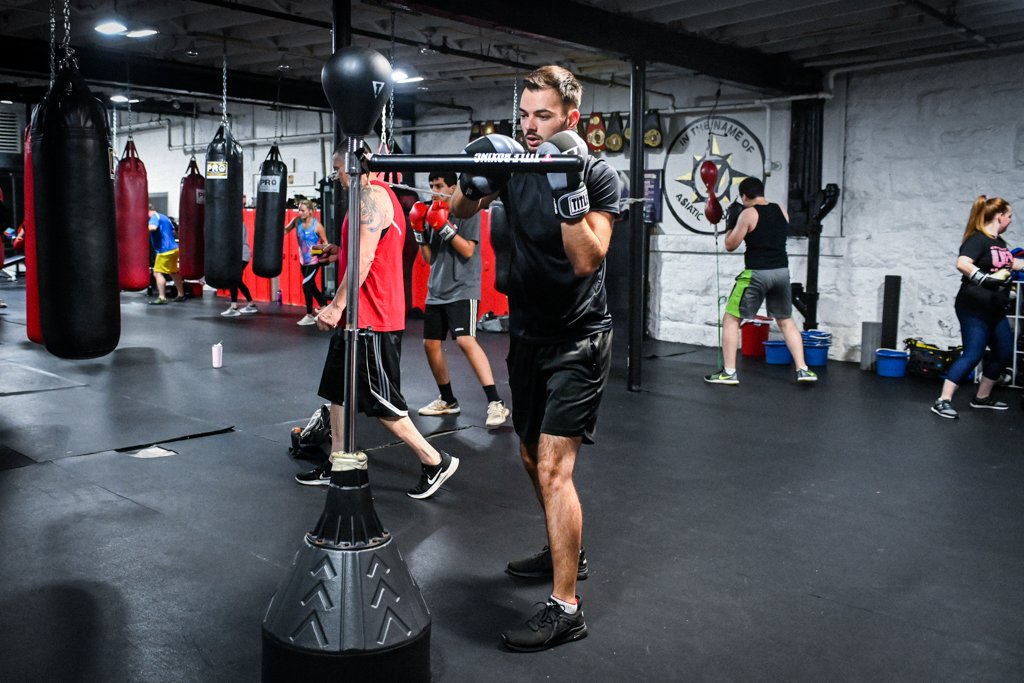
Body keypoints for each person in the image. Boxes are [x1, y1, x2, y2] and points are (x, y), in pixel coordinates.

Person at [450, 65, 620, 652]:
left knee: (554, 468)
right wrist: (471, 182)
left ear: (571, 119)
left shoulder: (595, 173)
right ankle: (563, 546)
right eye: (523, 114)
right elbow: (458, 216)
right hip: (524, 334)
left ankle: (566, 607)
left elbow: (587, 259)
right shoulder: (516, 161)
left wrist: (567, 195)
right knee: (528, 455)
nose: (529, 126)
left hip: (578, 336)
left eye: (542, 116)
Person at [295, 147, 459, 500]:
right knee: (338, 394)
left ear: (355, 168)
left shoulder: (370, 197)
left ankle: (434, 460)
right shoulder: (375, 196)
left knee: (385, 405)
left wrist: (336, 306)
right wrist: (339, 250)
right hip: (359, 317)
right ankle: (338, 461)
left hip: (372, 319)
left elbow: (366, 257)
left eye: (339, 169)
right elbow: (369, 248)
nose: (337, 178)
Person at [408, 172, 510, 429]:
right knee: (430, 344)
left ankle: (496, 402)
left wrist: (444, 227)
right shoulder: (432, 211)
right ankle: (448, 399)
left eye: (439, 185)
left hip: (462, 288)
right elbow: (429, 258)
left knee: (466, 341)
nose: (434, 190)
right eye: (431, 185)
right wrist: (419, 231)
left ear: (453, 187)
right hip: (437, 289)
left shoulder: (468, 210)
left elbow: (468, 249)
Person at [704, 178, 818, 385]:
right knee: (786, 321)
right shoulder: (781, 210)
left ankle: (729, 373)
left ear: (744, 196)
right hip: (782, 272)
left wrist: (731, 223)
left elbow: (730, 244)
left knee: (731, 319)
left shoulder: (748, 213)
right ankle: (803, 369)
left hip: (757, 273)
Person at [931, 195, 1022, 418]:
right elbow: (962, 263)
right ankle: (942, 401)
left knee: (1003, 353)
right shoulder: (978, 239)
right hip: (973, 307)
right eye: (1009, 216)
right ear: (999, 216)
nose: (1010, 221)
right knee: (973, 354)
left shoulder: (999, 244)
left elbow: (1013, 263)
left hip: (994, 309)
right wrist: (984, 279)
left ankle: (981, 397)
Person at [284, 199, 328, 325]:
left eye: (302, 210)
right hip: (303, 260)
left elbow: (326, 243)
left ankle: (309, 315)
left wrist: (318, 254)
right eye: (299, 210)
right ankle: (324, 305)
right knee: (311, 285)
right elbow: (286, 230)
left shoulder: (317, 226)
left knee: (306, 285)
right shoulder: (296, 221)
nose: (300, 213)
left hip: (314, 261)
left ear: (310, 211)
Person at [148, 206, 185, 305]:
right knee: (174, 272)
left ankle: (162, 297)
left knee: (157, 273)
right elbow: (174, 231)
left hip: (164, 250)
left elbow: (153, 227)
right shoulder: (165, 217)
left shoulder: (154, 217)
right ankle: (181, 295)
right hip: (174, 248)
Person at [221, 221, 258, 317]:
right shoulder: (236, 224)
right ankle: (251, 304)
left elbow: (235, 241)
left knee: (233, 279)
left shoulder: (238, 224)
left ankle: (234, 307)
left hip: (241, 255)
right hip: (240, 255)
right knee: (237, 280)